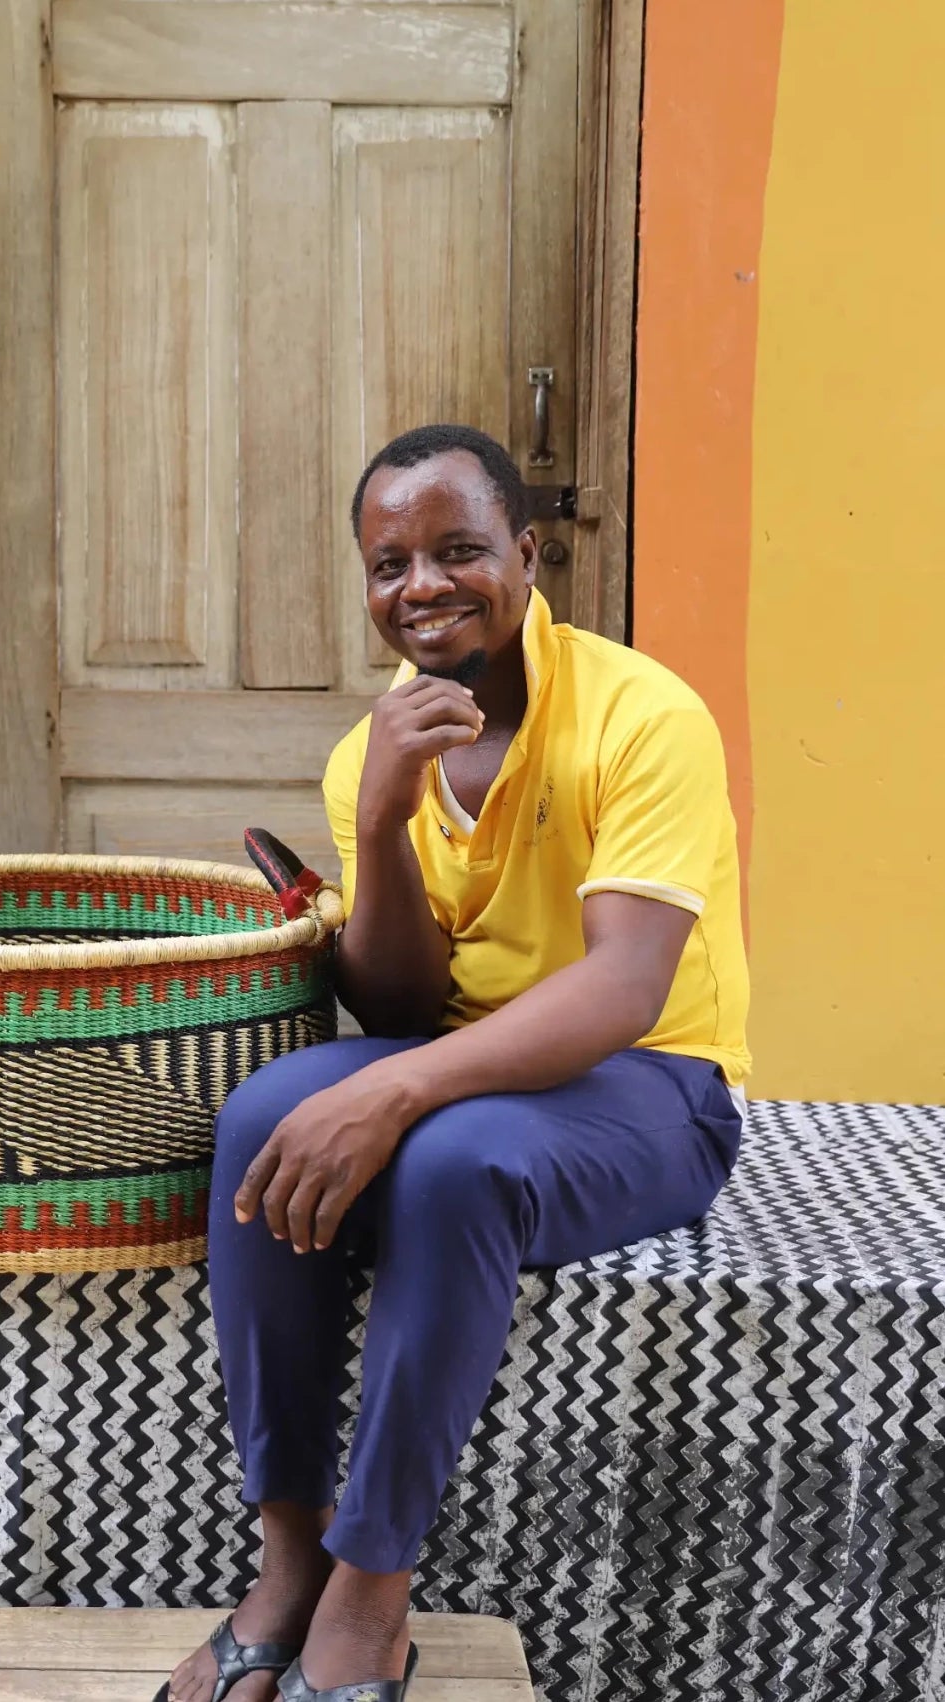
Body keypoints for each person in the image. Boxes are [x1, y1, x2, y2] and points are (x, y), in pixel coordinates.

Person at [156, 424, 750, 1702]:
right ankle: (288, 1557)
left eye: (458, 549)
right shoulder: (370, 754)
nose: (421, 585)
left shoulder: (645, 714)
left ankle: (373, 1586)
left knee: (455, 1166)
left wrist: (397, 1085)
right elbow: (396, 996)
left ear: (527, 555)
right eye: (389, 563)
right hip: (468, 1056)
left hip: (651, 1083)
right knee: (264, 1113)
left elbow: (625, 983)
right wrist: (379, 814)